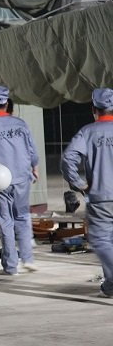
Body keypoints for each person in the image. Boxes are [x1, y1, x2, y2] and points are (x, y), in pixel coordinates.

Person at [0, 85, 39, 275]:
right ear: (6, 104)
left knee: (5, 222)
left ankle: (10, 267)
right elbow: (32, 150)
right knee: (23, 217)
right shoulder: (21, 125)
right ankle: (28, 258)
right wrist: (34, 167)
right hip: (21, 178)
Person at [61, 88, 113, 298]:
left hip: (101, 198)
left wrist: (79, 184)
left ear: (94, 109)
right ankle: (110, 286)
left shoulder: (88, 132)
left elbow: (68, 159)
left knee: (101, 241)